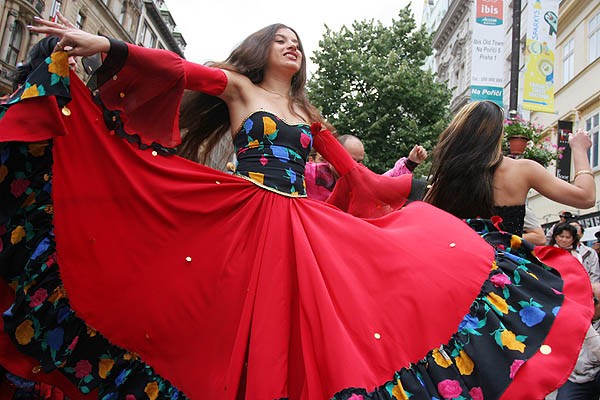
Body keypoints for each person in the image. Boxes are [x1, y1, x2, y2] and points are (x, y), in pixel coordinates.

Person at [0, 18, 592, 400]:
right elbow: (174, 69)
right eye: (281, 38)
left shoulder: (311, 118)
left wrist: (408, 178)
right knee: (221, 322)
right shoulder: (238, 88)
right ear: (262, 50)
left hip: (300, 229)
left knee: (305, 335)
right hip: (242, 216)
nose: (292, 45)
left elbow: (365, 184)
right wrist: (107, 45)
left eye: (298, 42)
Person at [424, 101, 595, 238]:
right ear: (498, 134)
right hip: (504, 272)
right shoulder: (523, 170)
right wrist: (579, 150)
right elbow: (586, 197)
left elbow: (423, 219)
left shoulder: (448, 176)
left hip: (455, 266)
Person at [305, 133, 427, 201]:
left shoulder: (359, 179)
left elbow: (383, 183)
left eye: (359, 161)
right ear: (335, 154)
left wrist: (411, 162)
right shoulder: (310, 173)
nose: (355, 165)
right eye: (351, 159)